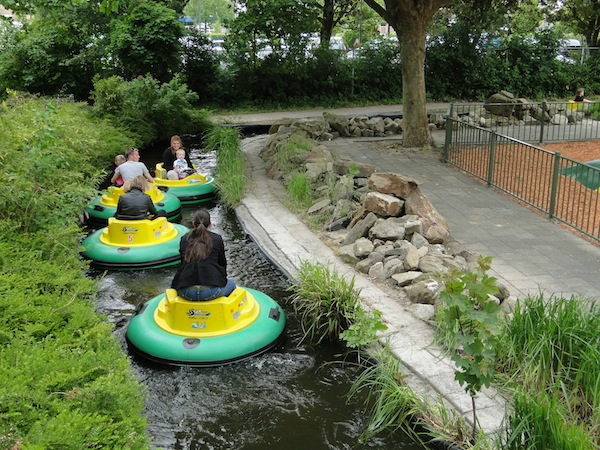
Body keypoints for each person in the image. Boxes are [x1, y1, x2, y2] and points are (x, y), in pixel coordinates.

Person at [171, 209, 236, 301]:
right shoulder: (217, 239)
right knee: (232, 285)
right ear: (209, 224)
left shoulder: (185, 239)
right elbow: (222, 263)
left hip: (186, 292)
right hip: (211, 292)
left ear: (193, 223)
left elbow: (183, 264)